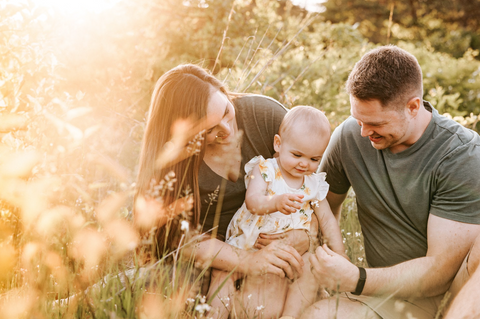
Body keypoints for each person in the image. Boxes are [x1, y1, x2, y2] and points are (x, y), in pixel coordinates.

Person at [301, 45, 480, 319]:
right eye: (357, 118)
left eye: (375, 123)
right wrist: (326, 264)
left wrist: (356, 279)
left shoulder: (460, 155)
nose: (363, 131)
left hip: (452, 295)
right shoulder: (351, 136)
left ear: (412, 107)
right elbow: (319, 208)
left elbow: (440, 271)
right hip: (382, 291)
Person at [135, 64, 317, 317]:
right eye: (209, 130)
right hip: (211, 258)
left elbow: (313, 185)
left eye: (226, 111)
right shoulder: (173, 159)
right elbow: (180, 237)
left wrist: (307, 236)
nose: (227, 130)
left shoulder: (263, 116)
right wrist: (248, 261)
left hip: (275, 247)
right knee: (151, 286)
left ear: (223, 90)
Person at [208, 106, 347, 319]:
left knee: (312, 266)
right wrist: (275, 202)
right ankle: (214, 315)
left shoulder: (313, 185)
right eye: (297, 154)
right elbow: (253, 201)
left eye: (313, 159)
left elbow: (327, 220)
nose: (304, 164)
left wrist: (341, 256)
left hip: (290, 252)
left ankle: (290, 315)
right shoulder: (265, 169)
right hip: (249, 243)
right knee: (222, 272)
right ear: (278, 144)